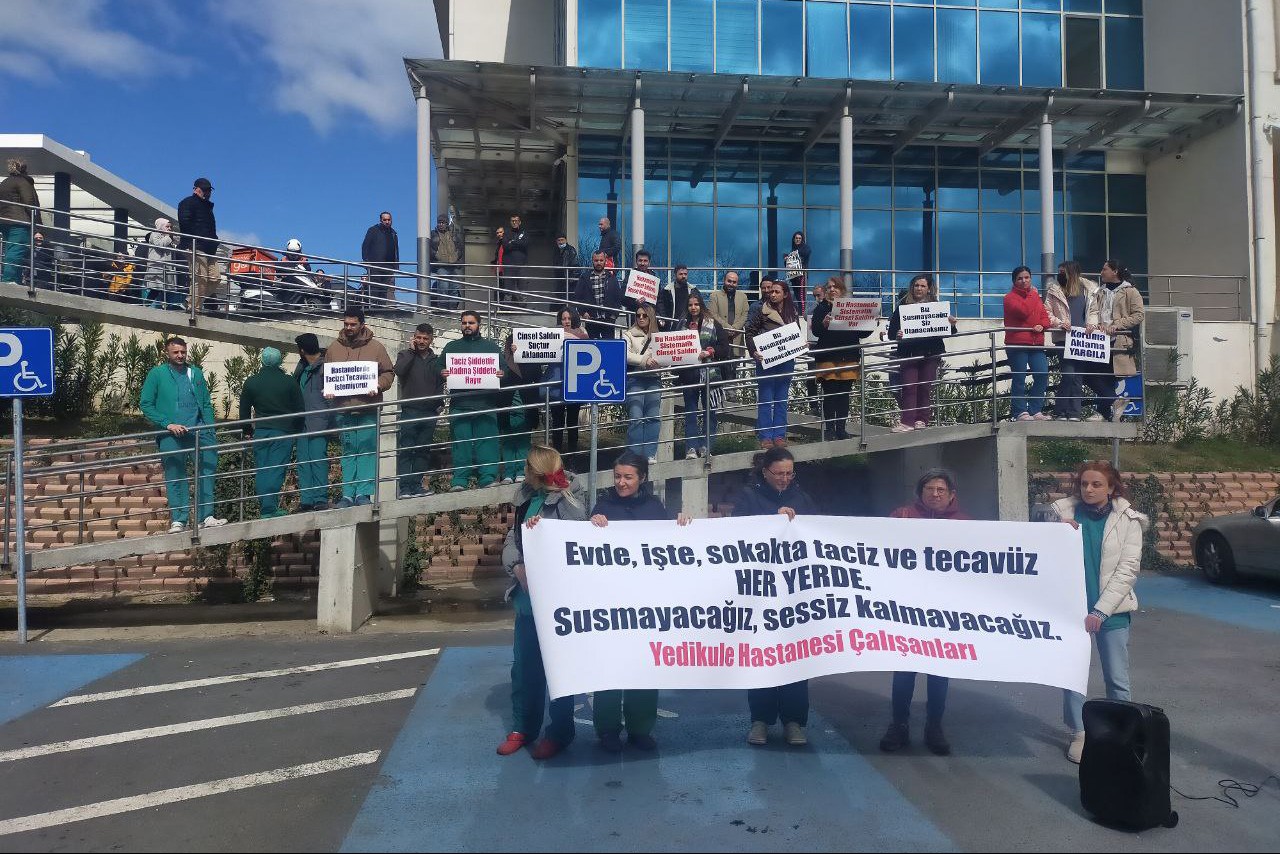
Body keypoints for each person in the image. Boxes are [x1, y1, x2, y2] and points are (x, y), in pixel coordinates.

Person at [588, 452, 692, 751]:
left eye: (628, 477)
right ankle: (607, 729)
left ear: (642, 478)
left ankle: (640, 729)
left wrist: (682, 525)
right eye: (617, 476)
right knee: (608, 667)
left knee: (644, 667)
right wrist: (592, 525)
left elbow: (672, 544)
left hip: (646, 604)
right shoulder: (602, 507)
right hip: (609, 604)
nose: (621, 482)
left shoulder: (655, 508)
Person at [1048, 460, 1147, 763]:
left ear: (1112, 487)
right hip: (1071, 611)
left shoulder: (1129, 521)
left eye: (1097, 484)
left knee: (1117, 678)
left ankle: (1123, 734)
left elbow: (1127, 570)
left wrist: (1101, 612)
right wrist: (1054, 533)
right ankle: (1080, 733)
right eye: (1084, 484)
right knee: (1074, 676)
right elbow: (1040, 555)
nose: (1088, 490)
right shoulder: (1061, 515)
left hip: (1112, 613)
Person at [496, 445, 590, 761]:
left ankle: (560, 732)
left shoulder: (571, 495)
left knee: (558, 669)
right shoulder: (525, 496)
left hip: (559, 600)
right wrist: (518, 568)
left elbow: (575, 541)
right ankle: (523, 727)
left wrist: (549, 519)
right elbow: (512, 540)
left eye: (527, 468)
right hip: (528, 600)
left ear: (536, 471)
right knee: (524, 668)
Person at [879, 469, 972, 756]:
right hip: (906, 609)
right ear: (920, 493)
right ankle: (899, 725)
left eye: (941, 490)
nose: (935, 494)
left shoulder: (966, 524)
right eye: (929, 489)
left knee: (938, 671)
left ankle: (934, 726)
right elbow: (874, 547)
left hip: (943, 610)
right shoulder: (902, 515)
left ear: (951, 494)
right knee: (904, 671)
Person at [732, 446, 817, 746]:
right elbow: (736, 534)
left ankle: (795, 721)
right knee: (761, 655)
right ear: (765, 471)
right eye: (779, 473)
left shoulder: (803, 498)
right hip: (759, 590)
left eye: (789, 473)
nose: (784, 478)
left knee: (796, 655)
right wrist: (773, 519)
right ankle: (760, 720)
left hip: (794, 592)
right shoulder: (748, 497)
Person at [139, 338, 227, 532]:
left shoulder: (195, 372)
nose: (180, 356)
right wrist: (167, 424)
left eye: (183, 352)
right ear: (167, 353)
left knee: (206, 472)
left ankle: (207, 516)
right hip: (171, 434)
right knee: (175, 475)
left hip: (199, 431)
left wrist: (210, 427)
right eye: (175, 352)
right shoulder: (157, 374)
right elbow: (145, 404)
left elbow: (205, 403)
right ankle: (180, 519)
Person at [324, 308, 394, 507]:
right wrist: (328, 390)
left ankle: (363, 493)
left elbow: (389, 373)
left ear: (362, 324)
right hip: (343, 410)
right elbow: (327, 377)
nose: (348, 328)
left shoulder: (377, 347)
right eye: (346, 324)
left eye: (353, 324)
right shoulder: (333, 348)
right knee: (348, 452)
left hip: (368, 409)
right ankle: (347, 494)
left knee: (366, 451)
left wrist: (379, 384)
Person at [440, 310, 504, 491]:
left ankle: (488, 477)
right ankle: (460, 480)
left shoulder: (491, 347)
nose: (467, 326)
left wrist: (502, 373)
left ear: (479, 325)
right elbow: (438, 367)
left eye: (471, 323)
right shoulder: (452, 347)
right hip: (460, 405)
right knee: (461, 445)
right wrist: (442, 372)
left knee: (488, 443)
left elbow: (504, 369)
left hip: (486, 403)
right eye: (464, 323)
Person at [238, 347, 305, 518]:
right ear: (280, 361)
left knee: (263, 469)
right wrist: (297, 429)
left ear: (261, 361)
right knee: (276, 469)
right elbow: (300, 410)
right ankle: (269, 509)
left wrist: (247, 431)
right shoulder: (289, 382)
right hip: (283, 431)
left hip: (261, 431)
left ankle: (265, 507)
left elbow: (244, 411)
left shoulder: (251, 382)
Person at [887, 274, 957, 432]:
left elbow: (949, 332)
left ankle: (922, 419)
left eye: (922, 286)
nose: (919, 288)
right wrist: (897, 334)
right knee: (909, 386)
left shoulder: (937, 307)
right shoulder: (902, 307)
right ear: (912, 288)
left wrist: (951, 325)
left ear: (929, 289)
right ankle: (907, 422)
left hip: (930, 353)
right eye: (916, 285)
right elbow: (891, 333)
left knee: (925, 387)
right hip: (908, 353)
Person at [810, 278, 871, 441]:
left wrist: (871, 323)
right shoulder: (821, 308)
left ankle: (841, 428)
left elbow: (862, 333)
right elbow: (815, 331)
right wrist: (823, 324)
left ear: (841, 289)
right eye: (829, 287)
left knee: (844, 394)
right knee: (830, 394)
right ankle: (829, 429)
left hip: (848, 356)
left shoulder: (851, 306)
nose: (832, 289)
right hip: (828, 356)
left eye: (835, 287)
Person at [1086, 259, 1145, 423]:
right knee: (1091, 374)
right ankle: (1113, 401)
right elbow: (1094, 312)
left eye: (1104, 269)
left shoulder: (1130, 291)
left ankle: (1103, 412)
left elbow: (1139, 315)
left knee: (1110, 377)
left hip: (1118, 341)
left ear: (1115, 272)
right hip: (1098, 341)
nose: (1101, 272)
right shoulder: (1100, 292)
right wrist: (1093, 325)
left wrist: (1117, 325)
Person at [745, 278, 801, 449]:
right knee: (766, 398)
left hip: (786, 360)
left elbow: (795, 333)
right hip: (765, 361)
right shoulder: (760, 310)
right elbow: (749, 332)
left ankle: (779, 435)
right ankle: (765, 437)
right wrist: (753, 351)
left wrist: (800, 344)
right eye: (771, 292)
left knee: (782, 398)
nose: (773, 294)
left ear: (785, 294)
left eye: (777, 291)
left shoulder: (792, 311)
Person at [675, 292, 729, 459]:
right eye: (690, 305)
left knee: (710, 413)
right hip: (689, 375)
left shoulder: (713, 324)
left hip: (709, 375)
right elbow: (674, 346)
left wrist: (710, 352)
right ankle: (691, 447)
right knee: (690, 412)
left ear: (701, 305)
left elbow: (724, 347)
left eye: (696, 304)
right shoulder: (681, 324)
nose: (693, 308)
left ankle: (706, 446)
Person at [1045, 261, 1100, 421]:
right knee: (1068, 375)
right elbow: (1047, 312)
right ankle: (1060, 411)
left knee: (1078, 377)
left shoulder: (1088, 290)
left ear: (1072, 273)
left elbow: (1094, 311)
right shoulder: (1054, 290)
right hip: (1063, 339)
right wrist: (1059, 323)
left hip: (1082, 339)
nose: (1059, 275)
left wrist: (1092, 324)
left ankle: (1074, 413)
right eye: (1058, 272)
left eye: (1063, 272)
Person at [394, 323, 444, 499]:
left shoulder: (437, 360)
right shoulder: (405, 355)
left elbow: (441, 384)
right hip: (410, 411)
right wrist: (412, 352)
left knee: (423, 450)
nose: (421, 341)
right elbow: (398, 371)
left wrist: (439, 405)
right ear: (414, 337)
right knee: (407, 449)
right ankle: (404, 487)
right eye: (419, 337)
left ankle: (416, 485)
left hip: (430, 412)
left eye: (425, 338)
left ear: (431, 340)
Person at [1003, 265, 1054, 422]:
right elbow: (1024, 311)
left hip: (1036, 343)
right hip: (1017, 344)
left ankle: (1035, 410)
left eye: (1027, 277)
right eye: (1020, 278)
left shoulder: (1035, 298)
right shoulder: (1009, 298)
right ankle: (1019, 411)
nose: (1024, 281)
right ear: (1014, 281)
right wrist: (1033, 294)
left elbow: (1045, 317)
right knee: (1019, 377)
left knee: (1042, 374)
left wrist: (1042, 326)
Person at [293, 333, 333, 512]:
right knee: (303, 462)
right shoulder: (301, 367)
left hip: (319, 421)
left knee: (318, 460)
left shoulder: (326, 367)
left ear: (302, 350)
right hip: (302, 423)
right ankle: (307, 500)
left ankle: (320, 498)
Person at [496, 334, 543, 484]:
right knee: (508, 442)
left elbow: (538, 378)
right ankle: (509, 473)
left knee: (523, 442)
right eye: (511, 344)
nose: (513, 347)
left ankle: (521, 472)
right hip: (507, 407)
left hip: (526, 408)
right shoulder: (502, 362)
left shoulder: (531, 362)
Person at [543, 307, 588, 456]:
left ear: (574, 318)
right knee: (557, 421)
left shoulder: (583, 334)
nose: (566, 321)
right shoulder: (552, 334)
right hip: (556, 383)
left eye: (568, 318)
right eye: (563, 318)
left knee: (573, 421)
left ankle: (572, 455)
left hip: (575, 383)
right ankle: (556, 455)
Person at [622, 304, 662, 462]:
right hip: (635, 379)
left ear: (650, 317)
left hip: (653, 378)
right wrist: (645, 360)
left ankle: (650, 453)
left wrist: (660, 362)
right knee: (636, 417)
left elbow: (667, 355)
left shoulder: (659, 336)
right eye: (638, 315)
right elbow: (624, 354)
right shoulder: (628, 334)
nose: (640, 318)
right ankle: (635, 454)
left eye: (644, 315)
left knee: (653, 417)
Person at [176, 178, 220, 312]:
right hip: (194, 245)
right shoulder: (187, 203)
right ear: (196, 189)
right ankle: (193, 309)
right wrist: (198, 238)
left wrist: (213, 240)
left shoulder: (208, 208)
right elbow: (185, 223)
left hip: (209, 248)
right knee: (200, 278)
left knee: (215, 279)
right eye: (204, 189)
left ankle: (189, 302)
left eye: (208, 190)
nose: (207, 193)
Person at [0, 158, 43, 284]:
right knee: (16, 250)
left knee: (11, 249)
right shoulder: (23, 182)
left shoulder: (5, 182)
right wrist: (38, 228)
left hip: (4, 221)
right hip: (20, 221)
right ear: (24, 170)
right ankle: (9, 281)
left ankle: (15, 281)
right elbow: (30, 203)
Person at [706, 270, 750, 384]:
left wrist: (734, 328)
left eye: (734, 282)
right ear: (724, 281)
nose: (731, 284)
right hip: (720, 338)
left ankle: (732, 394)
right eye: (729, 281)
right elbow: (712, 314)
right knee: (719, 370)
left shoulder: (743, 297)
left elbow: (745, 314)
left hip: (736, 339)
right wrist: (727, 328)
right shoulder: (714, 296)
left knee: (733, 371)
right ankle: (721, 395)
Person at [573, 250, 624, 340]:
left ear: (605, 261)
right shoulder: (585, 277)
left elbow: (618, 298)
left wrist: (614, 315)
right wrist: (583, 312)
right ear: (592, 261)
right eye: (596, 260)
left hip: (608, 320)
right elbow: (578, 296)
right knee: (591, 346)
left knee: (608, 348)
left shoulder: (612, 278)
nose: (599, 263)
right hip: (591, 319)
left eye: (601, 260)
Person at [361, 211, 399, 306]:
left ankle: (380, 308)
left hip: (389, 266)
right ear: (381, 220)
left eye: (389, 220)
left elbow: (396, 249)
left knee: (384, 290)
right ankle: (373, 307)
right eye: (385, 220)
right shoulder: (373, 230)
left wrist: (396, 265)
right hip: (375, 264)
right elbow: (365, 245)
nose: (387, 221)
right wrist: (366, 261)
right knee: (375, 288)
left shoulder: (393, 233)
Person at [429, 214, 464, 311]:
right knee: (443, 288)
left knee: (454, 288)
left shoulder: (453, 234)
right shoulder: (433, 234)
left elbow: (460, 247)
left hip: (453, 265)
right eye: (439, 222)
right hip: (441, 266)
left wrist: (457, 258)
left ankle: (452, 309)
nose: (441, 224)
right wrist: (437, 257)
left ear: (446, 223)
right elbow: (430, 249)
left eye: (443, 222)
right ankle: (443, 309)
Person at [145, 219, 179, 309]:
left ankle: (164, 308)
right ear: (161, 226)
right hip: (157, 268)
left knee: (166, 291)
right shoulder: (154, 234)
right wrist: (169, 237)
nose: (169, 229)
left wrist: (171, 236)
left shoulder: (170, 237)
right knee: (155, 289)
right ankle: (145, 306)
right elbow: (160, 245)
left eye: (171, 227)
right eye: (167, 226)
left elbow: (178, 241)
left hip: (167, 269)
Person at [656, 264, 697, 331]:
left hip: (689, 326)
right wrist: (664, 320)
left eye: (685, 274)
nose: (683, 276)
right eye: (680, 274)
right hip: (672, 327)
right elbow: (661, 307)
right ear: (675, 275)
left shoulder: (693, 290)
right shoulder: (667, 291)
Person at [501, 214, 529, 307]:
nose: (514, 222)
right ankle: (507, 310)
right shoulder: (506, 233)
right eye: (512, 220)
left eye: (516, 220)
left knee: (522, 289)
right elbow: (506, 246)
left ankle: (523, 309)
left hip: (521, 265)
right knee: (508, 289)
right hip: (509, 265)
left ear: (519, 222)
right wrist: (517, 242)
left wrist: (512, 241)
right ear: (510, 222)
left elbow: (525, 244)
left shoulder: (525, 232)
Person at [783, 230, 811, 312]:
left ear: (802, 239)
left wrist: (791, 255)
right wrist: (786, 259)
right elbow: (788, 265)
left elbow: (807, 252)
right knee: (796, 294)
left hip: (801, 275)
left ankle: (802, 313)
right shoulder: (792, 250)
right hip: (793, 276)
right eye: (796, 238)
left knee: (801, 295)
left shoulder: (805, 248)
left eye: (799, 238)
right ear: (794, 239)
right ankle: (799, 312)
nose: (798, 240)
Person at [554, 234, 579, 307]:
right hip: (560, 279)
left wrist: (571, 279)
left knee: (569, 299)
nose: (561, 242)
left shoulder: (571, 250)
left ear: (566, 240)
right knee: (560, 298)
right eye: (559, 240)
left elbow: (575, 265)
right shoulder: (556, 250)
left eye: (562, 240)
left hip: (569, 279)